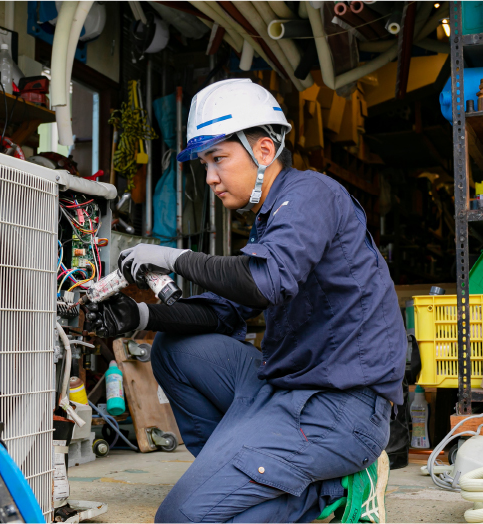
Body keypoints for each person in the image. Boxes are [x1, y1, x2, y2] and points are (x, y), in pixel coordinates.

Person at [84, 78, 406, 523]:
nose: (211, 177)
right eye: (204, 164)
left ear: (264, 150)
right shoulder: (268, 222)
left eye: (219, 159)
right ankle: (239, 474)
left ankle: (333, 487)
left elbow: (265, 281)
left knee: (181, 519)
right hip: (284, 388)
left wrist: (172, 257)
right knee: (174, 350)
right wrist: (140, 315)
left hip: (340, 408)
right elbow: (223, 311)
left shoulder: (312, 194)